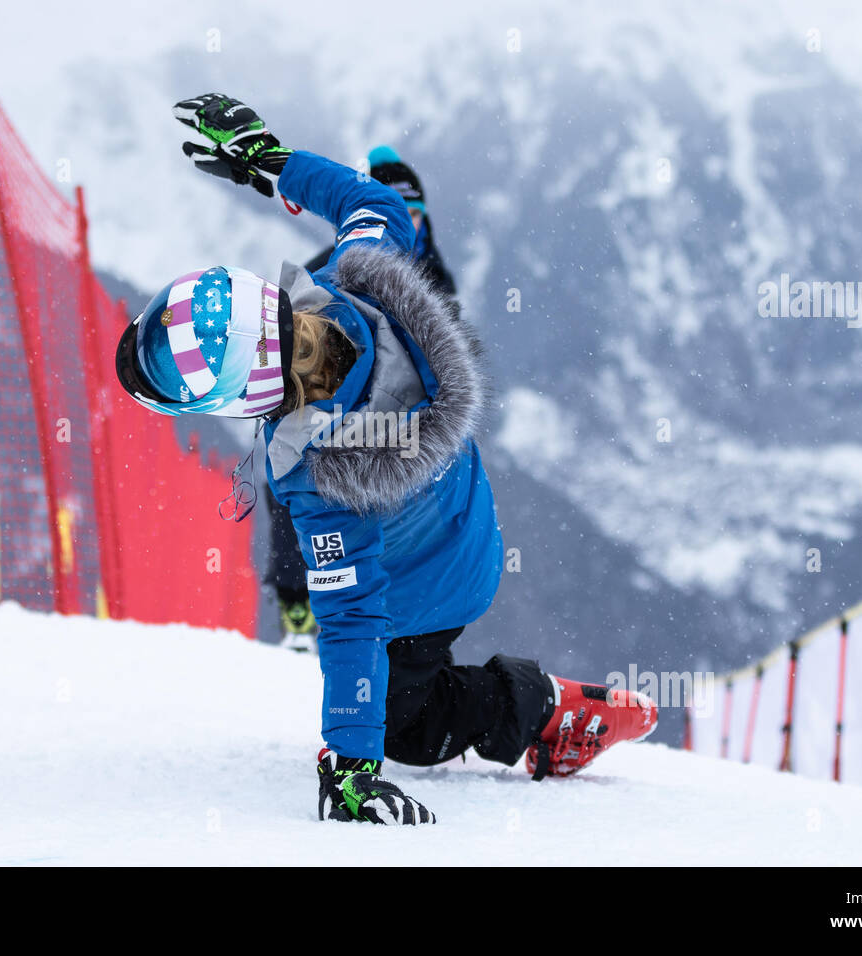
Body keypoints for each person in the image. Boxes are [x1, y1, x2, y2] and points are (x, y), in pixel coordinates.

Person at [115, 93, 657, 825]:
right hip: (459, 498)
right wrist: (275, 162)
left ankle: (549, 714)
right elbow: (368, 202)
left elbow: (353, 617)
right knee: (409, 273)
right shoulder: (359, 272)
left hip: (431, 586)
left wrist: (352, 765)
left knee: (413, 725)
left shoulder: (321, 482)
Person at [268, 146, 456, 652]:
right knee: (294, 486)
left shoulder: (436, 279)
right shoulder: (350, 259)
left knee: (379, 511)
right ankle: (299, 605)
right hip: (325, 401)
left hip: (399, 424)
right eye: (403, 212)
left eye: (416, 213)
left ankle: (378, 619)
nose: (410, 224)